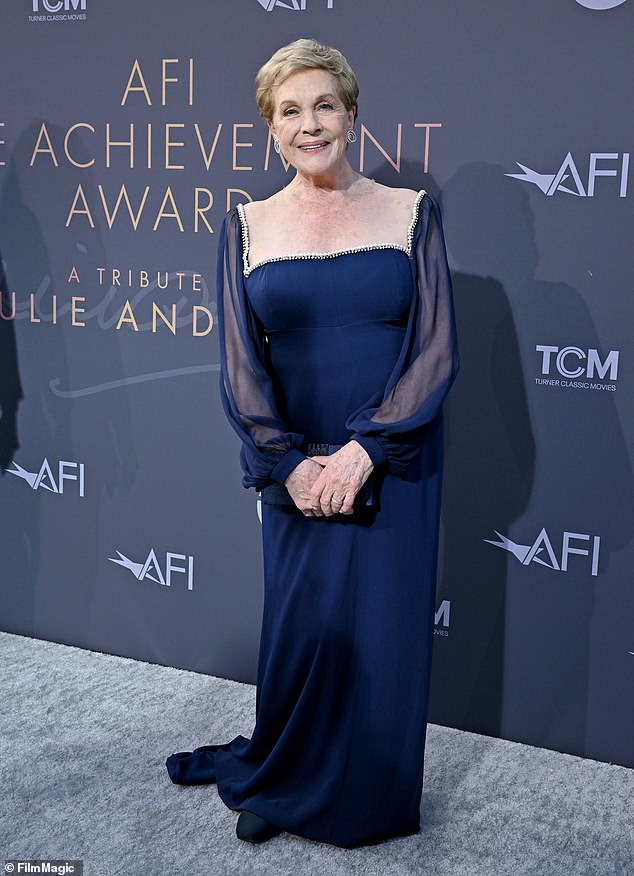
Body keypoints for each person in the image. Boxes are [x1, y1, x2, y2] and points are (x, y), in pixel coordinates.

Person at [166, 37, 459, 849]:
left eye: (324, 104)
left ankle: (372, 789)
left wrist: (367, 450)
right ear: (270, 127)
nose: (310, 123)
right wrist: (288, 465)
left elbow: (436, 348)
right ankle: (285, 777)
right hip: (291, 466)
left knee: (385, 629)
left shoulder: (409, 212)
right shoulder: (249, 225)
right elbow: (239, 364)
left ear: (352, 113)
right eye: (289, 110)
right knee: (305, 627)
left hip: (394, 459)